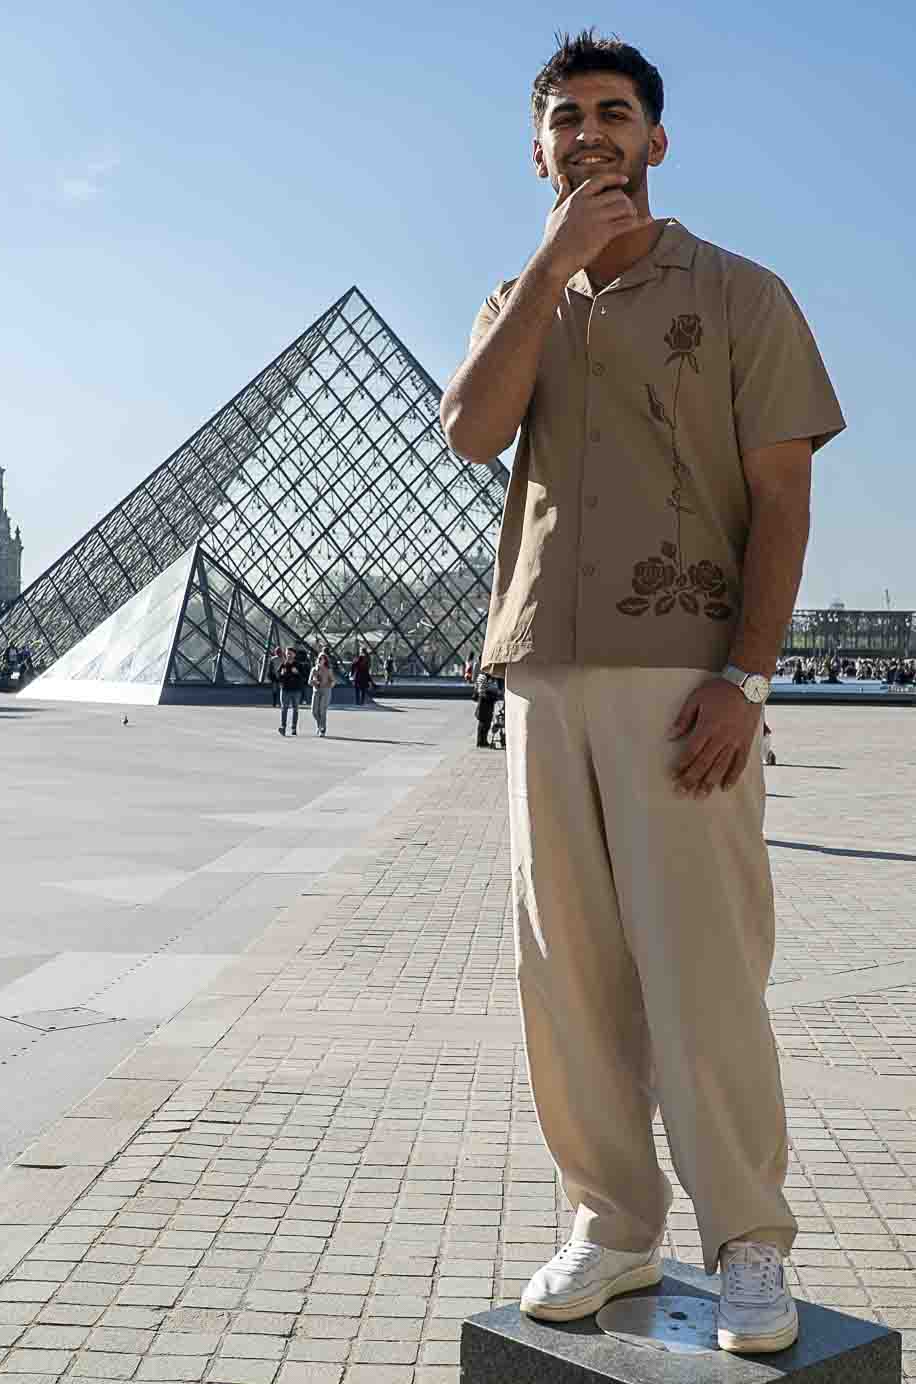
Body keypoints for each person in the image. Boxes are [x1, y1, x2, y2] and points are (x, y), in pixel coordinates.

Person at [440, 31, 845, 1355]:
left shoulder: (742, 294)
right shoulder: (517, 302)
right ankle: (613, 1221)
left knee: (703, 971)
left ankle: (748, 1242)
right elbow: (470, 432)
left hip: (683, 679)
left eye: (613, 113)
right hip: (542, 676)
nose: (589, 134)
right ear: (537, 150)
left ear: (657, 139)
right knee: (566, 976)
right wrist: (550, 266)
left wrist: (747, 677)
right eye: (565, 118)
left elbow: (782, 500)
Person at [274, 647, 304, 737]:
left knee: (295, 709)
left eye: (290, 653)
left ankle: (294, 728)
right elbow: (277, 677)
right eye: (287, 653)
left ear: (294, 654)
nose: (288, 655)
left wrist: (297, 673)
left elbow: (304, 678)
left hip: (296, 690)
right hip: (285, 690)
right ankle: (283, 727)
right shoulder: (283, 665)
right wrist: (281, 675)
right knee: (284, 709)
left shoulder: (298, 665)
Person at [309, 650, 336, 737]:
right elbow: (309, 681)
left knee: (322, 710)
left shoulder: (328, 670)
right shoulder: (314, 669)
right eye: (319, 658)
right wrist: (314, 682)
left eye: (323, 658)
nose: (321, 660)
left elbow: (333, 681)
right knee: (314, 711)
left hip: (325, 691)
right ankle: (319, 725)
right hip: (316, 691)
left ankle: (322, 729)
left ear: (325, 660)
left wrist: (329, 684)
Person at [473, 670, 500, 748]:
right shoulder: (483, 677)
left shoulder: (488, 677)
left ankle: (483, 741)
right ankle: (481, 742)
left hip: (487, 701)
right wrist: (491, 696)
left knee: (486, 723)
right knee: (483, 723)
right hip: (484, 702)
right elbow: (481, 691)